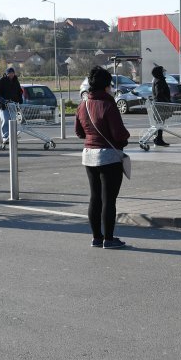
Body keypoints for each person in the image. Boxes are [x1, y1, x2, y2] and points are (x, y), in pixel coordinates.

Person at [75, 66, 131, 249]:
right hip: (108, 156)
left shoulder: (82, 105)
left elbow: (79, 132)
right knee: (109, 199)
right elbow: (119, 133)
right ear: (107, 86)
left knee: (95, 197)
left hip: (89, 155)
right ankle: (109, 238)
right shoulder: (108, 104)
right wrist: (125, 138)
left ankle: (96, 237)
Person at [0, 66, 23, 145]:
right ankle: (6, 137)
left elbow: (19, 91)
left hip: (13, 104)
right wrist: (2, 101)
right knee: (5, 120)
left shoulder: (16, 81)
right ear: (7, 74)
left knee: (13, 121)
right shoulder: (2, 81)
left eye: (12, 73)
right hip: (4, 105)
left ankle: (13, 137)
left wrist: (19, 100)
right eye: (10, 73)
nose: (11, 75)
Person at [151, 65, 170, 147]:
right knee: (160, 123)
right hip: (160, 105)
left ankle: (158, 138)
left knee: (159, 123)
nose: (164, 72)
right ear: (159, 72)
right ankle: (159, 139)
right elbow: (159, 94)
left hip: (159, 104)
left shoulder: (157, 80)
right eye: (162, 71)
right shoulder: (159, 81)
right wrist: (167, 101)